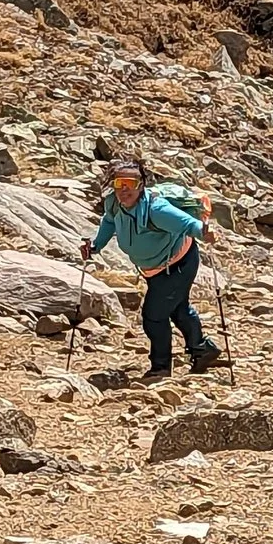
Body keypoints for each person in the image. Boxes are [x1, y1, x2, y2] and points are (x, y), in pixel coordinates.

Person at [82, 154, 221, 380]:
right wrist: (96, 246)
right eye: (119, 183)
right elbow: (109, 221)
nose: (124, 189)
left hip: (177, 265)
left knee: (153, 317)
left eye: (130, 183)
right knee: (177, 309)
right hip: (157, 269)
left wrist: (204, 232)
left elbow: (188, 224)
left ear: (141, 185)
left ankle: (161, 367)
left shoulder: (156, 209)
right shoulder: (114, 204)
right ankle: (202, 350)